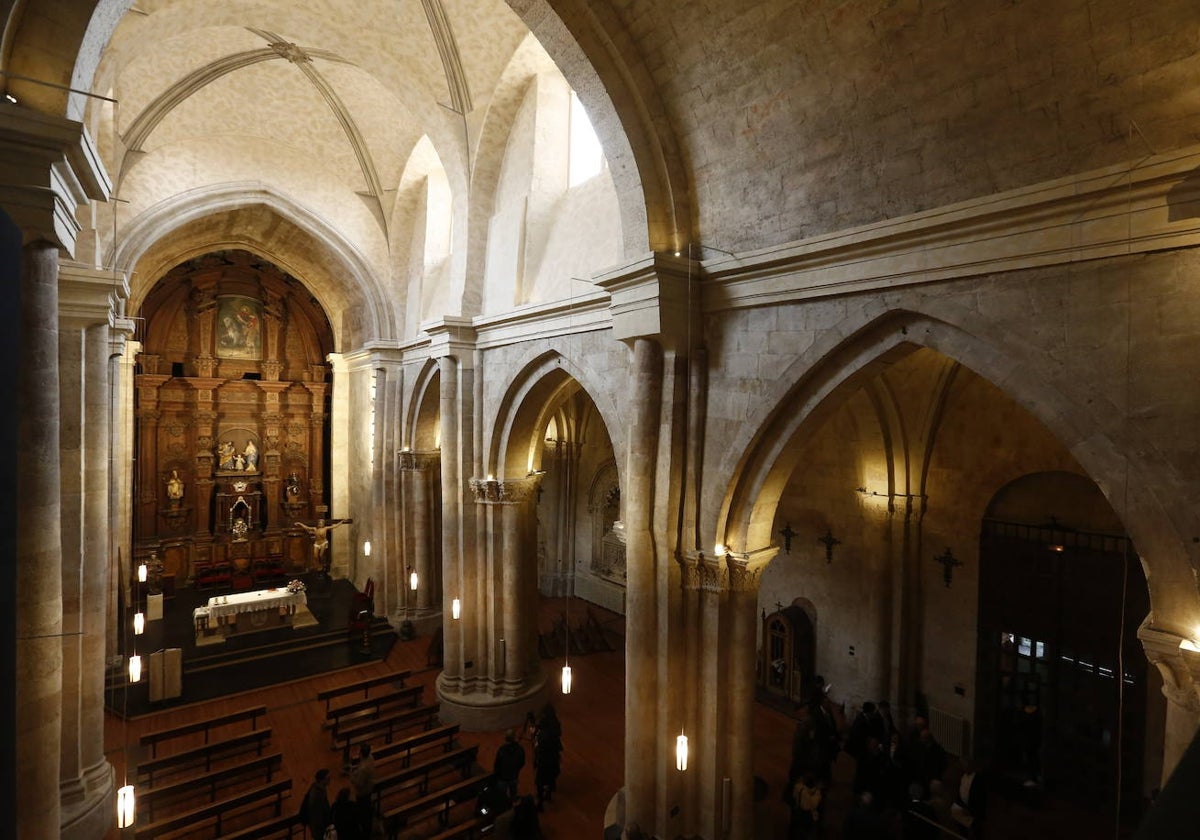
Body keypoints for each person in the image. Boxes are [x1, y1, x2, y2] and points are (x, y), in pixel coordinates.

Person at [534, 705, 562, 809]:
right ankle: (548, 794)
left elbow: (540, 748)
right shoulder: (555, 725)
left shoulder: (543, 734)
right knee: (551, 777)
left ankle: (540, 802)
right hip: (553, 757)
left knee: (540, 781)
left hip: (544, 759)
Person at [349, 743, 377, 837]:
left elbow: (359, 784)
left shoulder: (363, 769)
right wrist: (355, 768)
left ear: (361, 753)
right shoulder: (370, 757)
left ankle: (365, 832)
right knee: (366, 809)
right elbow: (362, 765)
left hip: (363, 792)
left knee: (363, 811)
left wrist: (351, 776)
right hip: (370, 786)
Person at [494, 728, 526, 800]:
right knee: (513, 794)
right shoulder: (520, 749)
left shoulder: (501, 750)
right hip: (514, 776)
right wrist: (516, 770)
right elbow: (522, 763)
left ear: (505, 738)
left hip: (502, 778)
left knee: (501, 796)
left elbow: (497, 764)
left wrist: (497, 774)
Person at [301, 768, 333, 840]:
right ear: (322, 780)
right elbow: (317, 816)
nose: (329, 780)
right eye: (328, 778)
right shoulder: (317, 795)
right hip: (319, 827)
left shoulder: (320, 788)